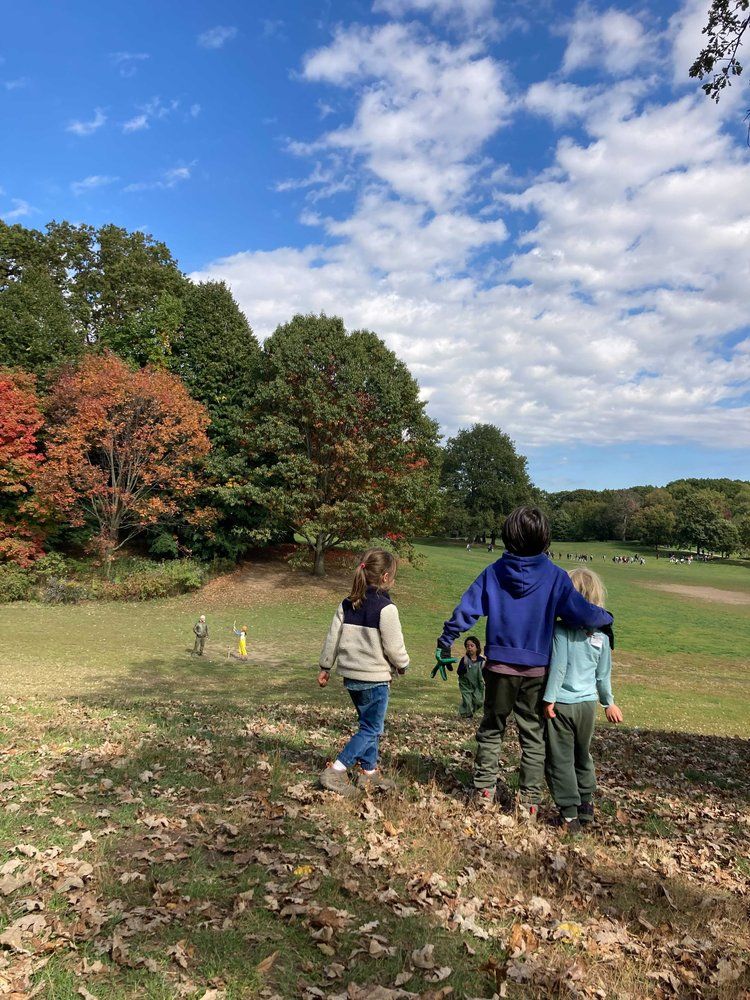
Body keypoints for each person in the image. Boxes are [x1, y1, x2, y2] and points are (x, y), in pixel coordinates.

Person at [437, 506, 613, 818]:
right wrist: (606, 618)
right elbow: (582, 613)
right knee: (532, 734)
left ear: (507, 536)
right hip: (536, 670)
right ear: (545, 539)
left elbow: (467, 607)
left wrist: (447, 636)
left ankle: (484, 791)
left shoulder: (493, 572)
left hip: (500, 667)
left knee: (492, 728)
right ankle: (528, 803)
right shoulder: (556, 577)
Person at [317, 548, 409, 796]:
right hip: (374, 678)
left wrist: (326, 666)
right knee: (372, 729)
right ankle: (336, 770)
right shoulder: (386, 608)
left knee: (368, 724)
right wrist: (402, 664)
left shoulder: (347, 603)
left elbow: (332, 638)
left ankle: (369, 774)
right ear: (386, 577)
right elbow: (393, 646)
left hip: (351, 678)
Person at [543, 568, 623, 832]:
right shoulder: (602, 634)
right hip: (588, 705)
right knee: (582, 753)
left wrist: (549, 699)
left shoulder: (561, 630)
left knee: (560, 759)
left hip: (562, 704)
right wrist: (608, 702)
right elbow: (603, 675)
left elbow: (559, 667)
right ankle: (586, 804)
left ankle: (569, 816)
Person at [457, 636, 485, 719]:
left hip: (478, 684)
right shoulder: (465, 659)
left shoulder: (482, 661)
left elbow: (485, 673)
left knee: (479, 701)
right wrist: (464, 668)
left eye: (472, 646)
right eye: (467, 646)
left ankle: (470, 711)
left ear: (477, 647)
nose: (469, 648)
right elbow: (459, 672)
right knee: (467, 700)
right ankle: (466, 715)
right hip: (466, 684)